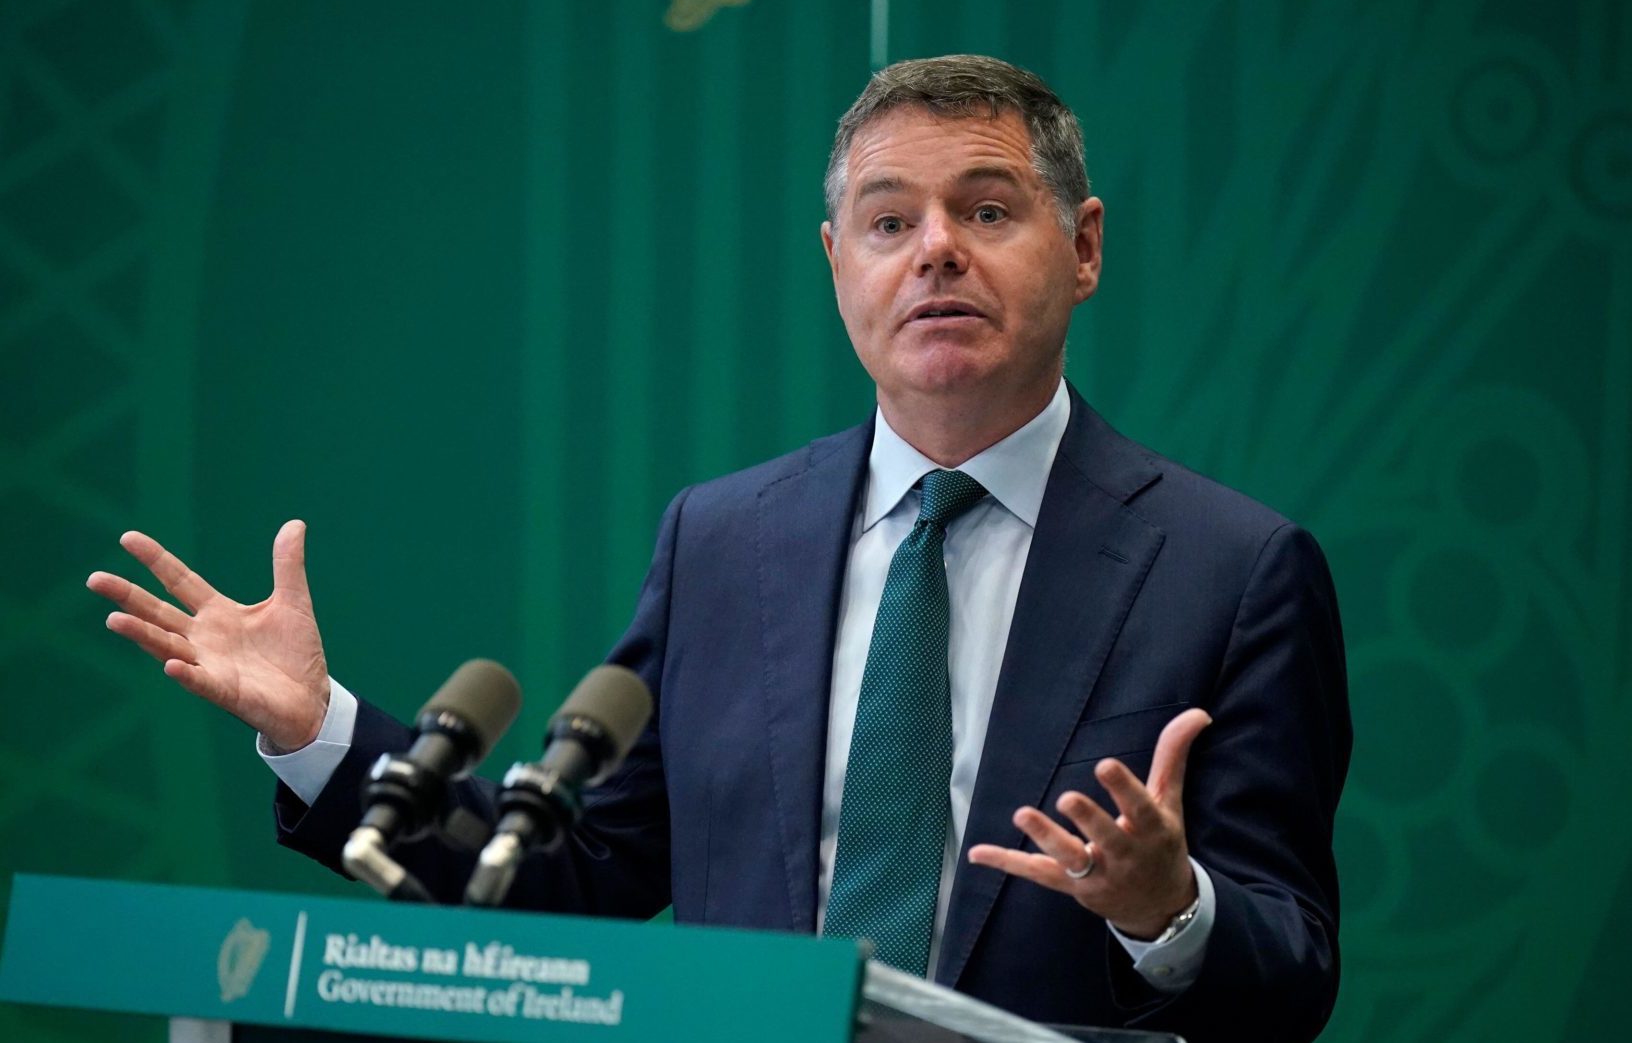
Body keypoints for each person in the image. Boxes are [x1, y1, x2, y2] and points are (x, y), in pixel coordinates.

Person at [88, 55, 1350, 1041]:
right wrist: (320, 728)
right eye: (888, 221)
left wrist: (1166, 912)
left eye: (986, 209)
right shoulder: (725, 540)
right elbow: (569, 880)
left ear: (1081, 248)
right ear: (835, 263)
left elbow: (1290, 977)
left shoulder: (1233, 571)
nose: (936, 252)